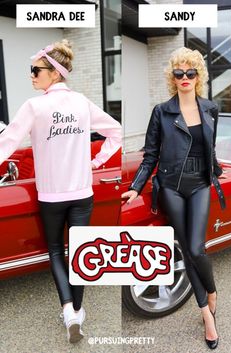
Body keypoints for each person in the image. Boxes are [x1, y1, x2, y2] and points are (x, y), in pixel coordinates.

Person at [0, 39, 121, 343]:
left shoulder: (34, 106)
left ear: (54, 73)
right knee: (78, 252)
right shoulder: (82, 102)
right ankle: (77, 312)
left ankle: (68, 310)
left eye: (35, 70)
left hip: (52, 196)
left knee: (56, 250)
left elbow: (8, 141)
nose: (31, 75)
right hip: (82, 193)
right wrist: (95, 162)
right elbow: (115, 131)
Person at [122, 47, 224, 350]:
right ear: (172, 76)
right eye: (178, 72)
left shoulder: (211, 108)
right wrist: (137, 186)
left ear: (198, 75)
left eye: (190, 72)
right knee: (190, 250)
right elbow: (150, 154)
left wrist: (216, 173)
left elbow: (210, 149)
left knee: (196, 247)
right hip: (171, 185)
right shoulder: (161, 111)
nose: (184, 77)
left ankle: (212, 291)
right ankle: (207, 313)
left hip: (200, 183)